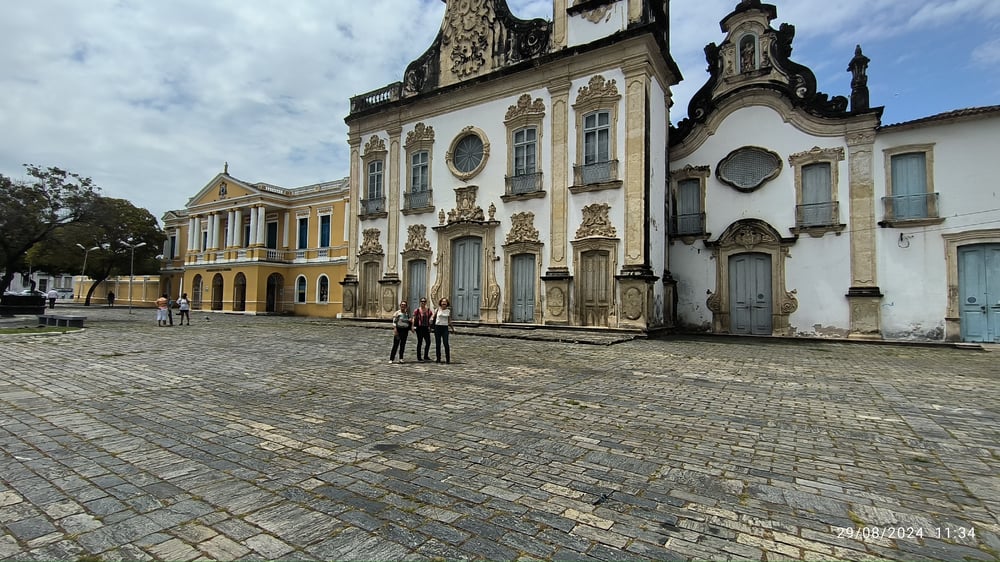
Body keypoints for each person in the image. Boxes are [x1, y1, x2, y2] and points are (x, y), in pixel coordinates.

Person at [432, 297, 455, 364]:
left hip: (445, 328)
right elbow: (433, 318)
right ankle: (438, 358)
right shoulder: (437, 310)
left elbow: (449, 321)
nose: (444, 303)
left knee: (446, 343)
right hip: (437, 327)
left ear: (447, 303)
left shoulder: (448, 311)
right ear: (441, 303)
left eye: (445, 302)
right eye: (443, 302)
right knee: (438, 344)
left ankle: (448, 359)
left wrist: (453, 328)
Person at [412, 297, 433, 362]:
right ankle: (419, 357)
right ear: (420, 302)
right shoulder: (417, 310)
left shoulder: (429, 310)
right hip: (419, 328)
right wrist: (412, 326)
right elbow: (414, 318)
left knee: (428, 342)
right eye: (422, 301)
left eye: (424, 301)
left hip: (426, 327)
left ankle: (426, 355)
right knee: (420, 342)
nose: (423, 303)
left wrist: (430, 325)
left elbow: (431, 318)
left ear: (426, 302)